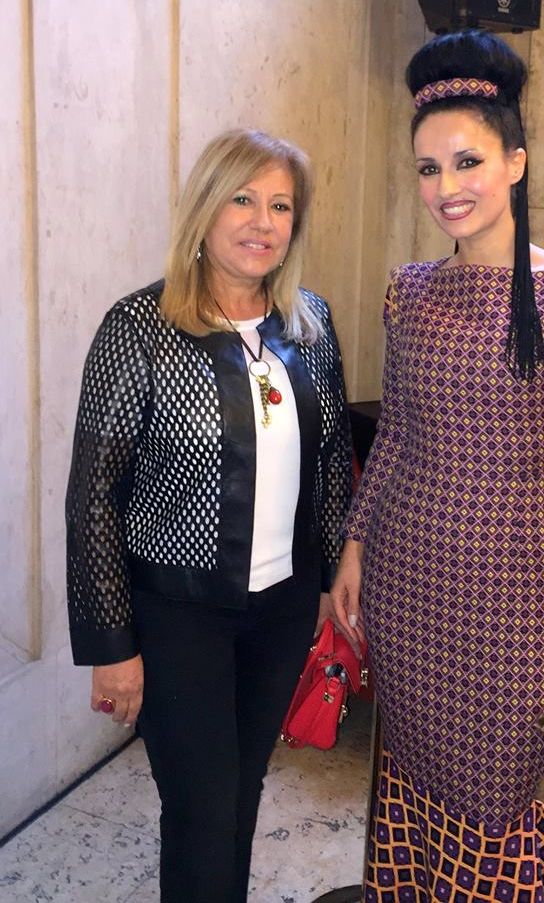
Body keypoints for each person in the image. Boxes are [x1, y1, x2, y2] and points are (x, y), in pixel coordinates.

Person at [332, 30, 544, 902]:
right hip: (406, 583)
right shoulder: (408, 290)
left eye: (467, 162)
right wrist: (354, 545)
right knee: (410, 776)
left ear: (516, 162)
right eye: (428, 169)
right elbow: (396, 433)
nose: (446, 188)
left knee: (496, 799)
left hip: (519, 596)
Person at [65, 128, 352, 903]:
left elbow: (331, 460)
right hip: (176, 616)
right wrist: (112, 645)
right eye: (243, 199)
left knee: (242, 791)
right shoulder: (140, 328)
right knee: (201, 811)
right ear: (205, 207)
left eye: (281, 206)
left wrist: (330, 577)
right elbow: (93, 495)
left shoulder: (310, 324)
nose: (263, 222)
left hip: (281, 612)